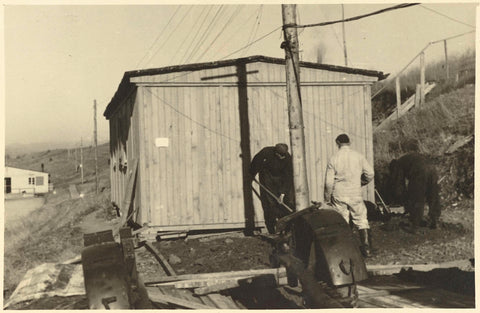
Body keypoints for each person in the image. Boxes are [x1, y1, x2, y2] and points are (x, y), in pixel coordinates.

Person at [324, 134, 375, 257]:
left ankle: (347, 251)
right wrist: (362, 182)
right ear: (349, 142)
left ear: (337, 142)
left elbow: (329, 182)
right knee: (362, 220)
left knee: (343, 221)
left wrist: (327, 198)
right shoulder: (358, 156)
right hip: (355, 192)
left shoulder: (334, 158)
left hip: (339, 194)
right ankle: (367, 249)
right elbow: (370, 173)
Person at [250, 143, 295, 234]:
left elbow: (288, 177)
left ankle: (287, 227)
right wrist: (251, 175)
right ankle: (273, 227)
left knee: (287, 202)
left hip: (281, 178)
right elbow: (255, 163)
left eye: (284, 155)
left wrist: (282, 193)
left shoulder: (287, 158)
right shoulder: (266, 152)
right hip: (267, 177)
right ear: (276, 153)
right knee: (270, 203)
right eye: (280, 155)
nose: (282, 157)